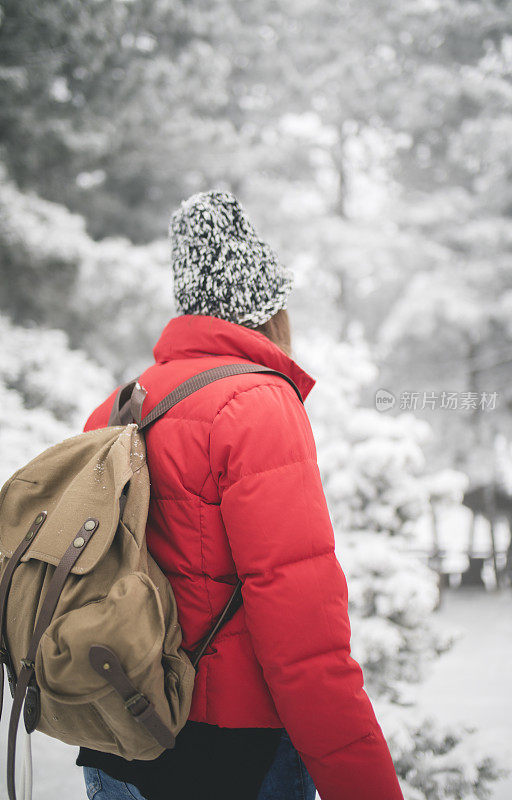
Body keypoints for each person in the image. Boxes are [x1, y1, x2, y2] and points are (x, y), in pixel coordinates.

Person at [77, 191, 404, 800]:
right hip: (231, 755)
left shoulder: (121, 405)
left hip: (116, 737)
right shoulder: (257, 405)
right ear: (267, 310)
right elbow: (302, 637)